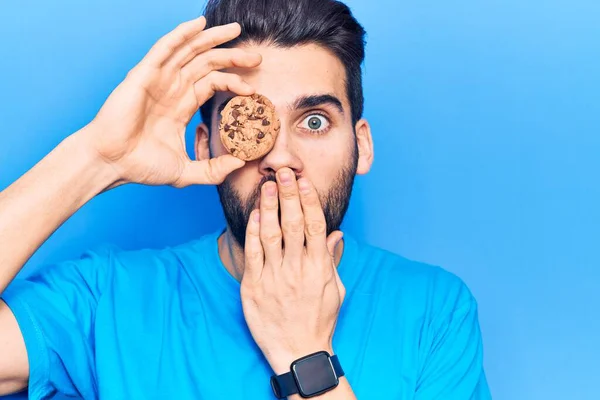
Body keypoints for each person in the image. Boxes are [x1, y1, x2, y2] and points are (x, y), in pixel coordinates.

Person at [0, 0, 491, 399]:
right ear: (204, 146)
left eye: (314, 121)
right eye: (249, 122)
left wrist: (305, 355)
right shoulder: (107, 298)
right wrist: (99, 157)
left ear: (360, 145)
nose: (280, 157)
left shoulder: (435, 311)